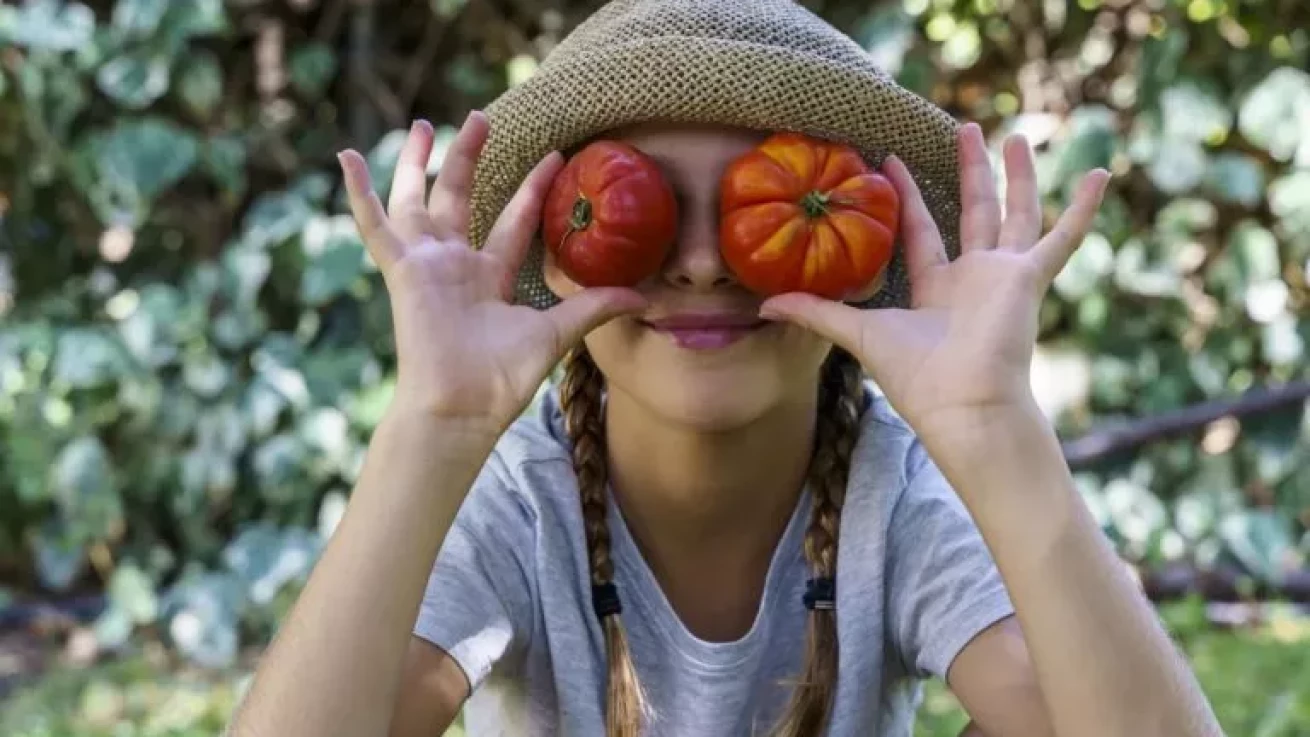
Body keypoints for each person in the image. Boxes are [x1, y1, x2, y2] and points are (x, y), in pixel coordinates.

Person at [226, 1, 1222, 735]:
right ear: (560, 252)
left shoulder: (896, 498)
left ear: (864, 252)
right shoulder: (522, 506)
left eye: (770, 210)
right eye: (640, 207)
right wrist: (430, 426)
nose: (701, 261)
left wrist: (994, 424)